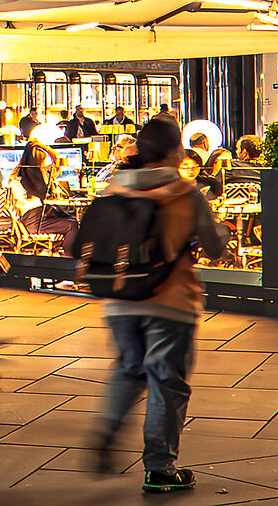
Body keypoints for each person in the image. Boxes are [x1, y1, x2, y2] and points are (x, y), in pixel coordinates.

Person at [80, 114, 229, 493]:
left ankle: (108, 431)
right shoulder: (185, 190)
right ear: (176, 151)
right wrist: (220, 231)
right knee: (168, 380)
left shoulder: (113, 186)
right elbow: (214, 245)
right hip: (171, 301)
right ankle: (161, 467)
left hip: (118, 300)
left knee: (128, 369)